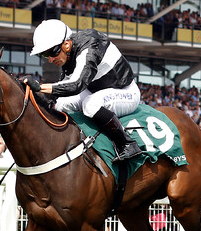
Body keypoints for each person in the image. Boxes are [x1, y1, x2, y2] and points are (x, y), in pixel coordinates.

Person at [27, 19, 142, 162]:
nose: (50, 59)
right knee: (62, 104)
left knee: (91, 104)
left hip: (126, 91)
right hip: (96, 90)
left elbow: (77, 85)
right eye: (45, 55)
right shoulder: (67, 55)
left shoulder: (90, 46)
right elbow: (62, 90)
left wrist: (39, 87)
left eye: (52, 52)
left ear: (67, 44)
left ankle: (127, 144)